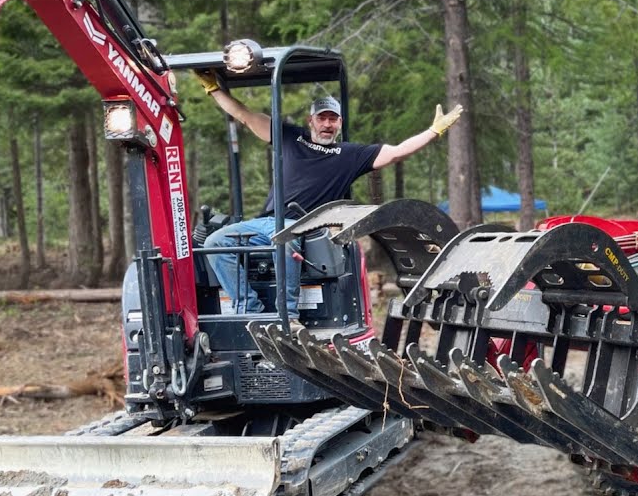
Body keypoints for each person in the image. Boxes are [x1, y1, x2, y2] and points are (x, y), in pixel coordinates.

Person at [194, 70, 463, 317]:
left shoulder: (349, 154)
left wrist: (433, 132)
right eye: (321, 118)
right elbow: (244, 115)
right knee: (215, 242)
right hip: (266, 221)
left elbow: (396, 152)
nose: (326, 124)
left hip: (303, 226)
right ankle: (249, 310)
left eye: (332, 119)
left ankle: (286, 317)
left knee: (284, 241)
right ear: (310, 121)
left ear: (339, 123)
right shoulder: (289, 137)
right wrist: (214, 89)